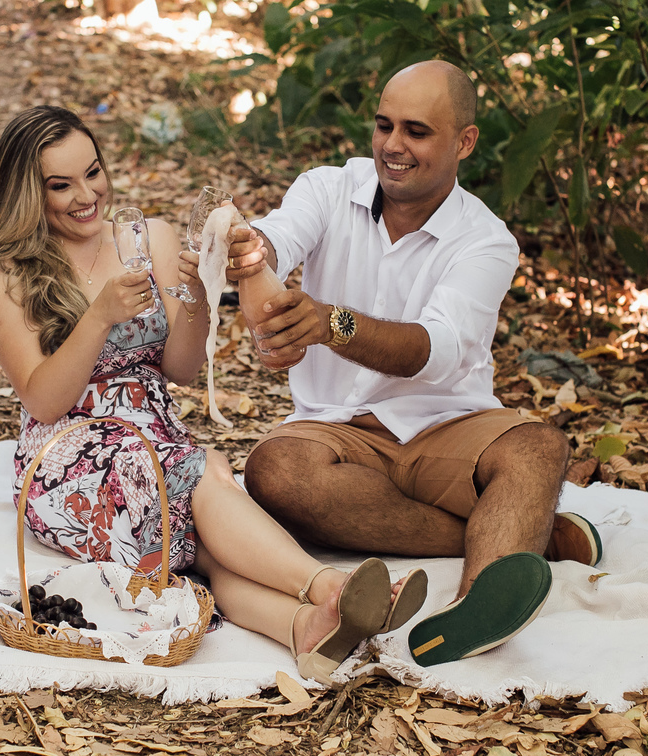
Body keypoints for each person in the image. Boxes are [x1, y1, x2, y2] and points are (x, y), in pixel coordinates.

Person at [0, 105, 427, 684]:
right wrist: (99, 317)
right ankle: (330, 586)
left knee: (205, 537)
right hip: (69, 458)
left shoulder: (148, 237)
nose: (87, 195)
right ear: (27, 194)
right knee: (205, 476)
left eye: (93, 172)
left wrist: (194, 287)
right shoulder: (11, 272)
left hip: (155, 435)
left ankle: (304, 630)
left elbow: (181, 368)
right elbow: (42, 402)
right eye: (60, 186)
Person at [226, 61, 603, 668]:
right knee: (274, 472)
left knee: (537, 449)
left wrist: (331, 324)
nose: (393, 146)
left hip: (444, 424)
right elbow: (279, 235)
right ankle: (527, 534)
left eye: (416, 131)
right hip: (335, 428)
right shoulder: (328, 188)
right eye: (383, 126)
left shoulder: (487, 239)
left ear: (464, 142)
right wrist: (253, 248)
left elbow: (437, 351)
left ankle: (477, 606)